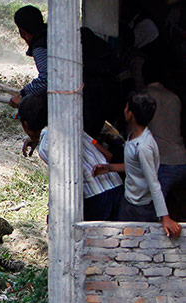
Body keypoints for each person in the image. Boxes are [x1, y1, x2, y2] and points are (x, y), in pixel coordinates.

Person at [18, 94, 124, 222]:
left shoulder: (46, 147)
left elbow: (66, 182)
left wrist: (54, 211)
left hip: (96, 198)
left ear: (25, 124)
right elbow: (108, 155)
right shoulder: (70, 125)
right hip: (117, 187)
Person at [93, 91, 182, 238]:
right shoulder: (134, 137)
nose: (124, 110)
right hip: (129, 201)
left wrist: (165, 217)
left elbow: (154, 183)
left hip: (140, 208)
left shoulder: (143, 147)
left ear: (130, 114)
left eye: (127, 107)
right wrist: (109, 168)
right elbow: (134, 167)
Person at [143, 60, 186, 198]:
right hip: (181, 159)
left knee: (150, 210)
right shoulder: (173, 97)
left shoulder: (143, 97)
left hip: (163, 161)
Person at [9, 5, 47, 108]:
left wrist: (22, 95)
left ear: (23, 32)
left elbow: (47, 80)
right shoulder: (51, 34)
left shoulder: (40, 48)